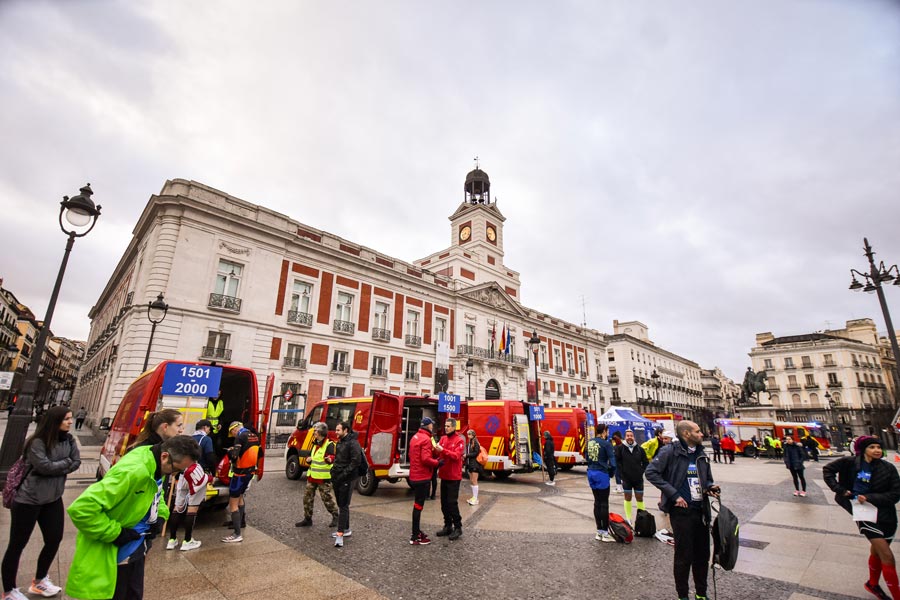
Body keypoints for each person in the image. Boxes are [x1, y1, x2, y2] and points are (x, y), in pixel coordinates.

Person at [66, 435, 200, 600]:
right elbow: (82, 508)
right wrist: (115, 533)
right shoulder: (135, 470)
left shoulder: (156, 461)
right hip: (117, 551)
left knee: (134, 593)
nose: (175, 475)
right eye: (176, 470)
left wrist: (160, 517)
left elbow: (158, 492)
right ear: (165, 456)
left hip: (136, 545)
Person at [2, 406, 81, 600]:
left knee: (54, 539)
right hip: (29, 499)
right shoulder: (36, 442)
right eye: (66, 419)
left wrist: (59, 466)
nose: (70, 422)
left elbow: (77, 461)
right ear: (55, 421)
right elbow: (44, 466)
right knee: (17, 544)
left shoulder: (69, 440)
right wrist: (65, 464)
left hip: (53, 498)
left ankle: (39, 581)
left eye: (71, 419)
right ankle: (9, 591)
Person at [646, 420, 720, 600]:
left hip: (701, 511)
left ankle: (701, 593)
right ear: (687, 434)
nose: (701, 434)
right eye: (697, 431)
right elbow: (651, 472)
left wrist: (709, 487)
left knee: (702, 555)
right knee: (683, 556)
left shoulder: (701, 454)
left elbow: (706, 478)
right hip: (681, 512)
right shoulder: (669, 452)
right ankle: (682, 595)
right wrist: (673, 494)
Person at [824, 436, 900, 600]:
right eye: (872, 447)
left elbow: (895, 494)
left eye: (879, 447)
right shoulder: (850, 462)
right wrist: (840, 490)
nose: (877, 450)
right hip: (864, 513)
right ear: (864, 449)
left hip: (887, 515)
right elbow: (828, 470)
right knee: (887, 556)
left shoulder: (888, 468)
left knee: (878, 551)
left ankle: (872, 584)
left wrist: (870, 497)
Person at [294, 422, 338, 531]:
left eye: (315, 431)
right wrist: (309, 459)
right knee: (307, 498)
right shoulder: (315, 443)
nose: (313, 433)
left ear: (319, 432)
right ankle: (307, 518)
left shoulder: (329, 444)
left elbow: (332, 458)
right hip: (312, 476)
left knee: (327, 498)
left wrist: (328, 459)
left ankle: (336, 516)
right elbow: (313, 456)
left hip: (323, 478)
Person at [222, 421, 260, 543]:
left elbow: (234, 456)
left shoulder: (240, 436)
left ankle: (237, 534)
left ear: (234, 429)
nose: (232, 435)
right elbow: (260, 453)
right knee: (240, 497)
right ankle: (241, 522)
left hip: (239, 473)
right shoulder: (254, 435)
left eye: (232, 433)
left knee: (233, 502)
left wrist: (230, 451)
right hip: (250, 472)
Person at [166, 452, 210, 551]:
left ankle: (172, 540)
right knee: (192, 508)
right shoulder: (201, 443)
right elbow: (210, 456)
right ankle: (187, 540)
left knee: (177, 507)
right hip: (194, 473)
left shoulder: (179, 446)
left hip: (182, 475)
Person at [330, 421, 362, 548]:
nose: (336, 432)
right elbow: (338, 459)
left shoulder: (353, 443)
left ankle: (340, 534)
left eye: (338, 430)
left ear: (346, 430)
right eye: (336, 430)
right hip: (338, 477)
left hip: (347, 479)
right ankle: (346, 529)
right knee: (341, 504)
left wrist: (344, 474)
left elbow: (356, 461)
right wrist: (334, 472)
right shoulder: (340, 442)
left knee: (343, 505)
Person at [409, 417, 439, 545]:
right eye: (431, 425)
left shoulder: (415, 436)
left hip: (414, 475)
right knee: (418, 506)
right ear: (428, 426)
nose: (432, 426)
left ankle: (416, 531)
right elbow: (426, 459)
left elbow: (412, 456)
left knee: (417, 505)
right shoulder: (426, 439)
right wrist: (438, 462)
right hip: (422, 477)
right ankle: (415, 536)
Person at [435, 418, 465, 541]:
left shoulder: (459, 440)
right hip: (444, 475)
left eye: (448, 426)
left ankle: (458, 527)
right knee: (444, 504)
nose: (446, 428)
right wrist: (435, 450)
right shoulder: (442, 438)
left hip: (454, 477)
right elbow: (439, 455)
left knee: (452, 503)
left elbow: (456, 456)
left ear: (453, 427)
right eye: (445, 426)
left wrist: (443, 450)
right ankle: (448, 525)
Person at [585, 423, 617, 542]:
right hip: (601, 473)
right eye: (607, 431)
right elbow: (613, 463)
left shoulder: (590, 442)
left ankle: (598, 531)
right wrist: (611, 473)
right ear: (604, 431)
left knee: (597, 502)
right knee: (604, 503)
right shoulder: (606, 444)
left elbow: (586, 457)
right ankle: (605, 532)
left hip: (591, 472)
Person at [614, 429, 650, 525]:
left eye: (631, 435)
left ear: (634, 437)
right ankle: (628, 518)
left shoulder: (640, 449)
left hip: (638, 479)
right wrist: (622, 473)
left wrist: (641, 471)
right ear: (625, 437)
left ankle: (642, 518)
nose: (629, 437)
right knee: (627, 497)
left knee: (640, 498)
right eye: (628, 436)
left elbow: (646, 462)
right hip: (626, 479)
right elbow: (617, 462)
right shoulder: (620, 448)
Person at [464, 429, 483, 505]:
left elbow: (476, 453)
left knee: (474, 481)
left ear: (473, 435)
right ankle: (473, 497)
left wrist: (467, 455)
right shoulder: (470, 442)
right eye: (468, 434)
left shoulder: (475, 442)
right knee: (472, 480)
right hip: (470, 464)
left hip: (475, 464)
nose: (468, 436)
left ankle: (475, 498)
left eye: (469, 434)